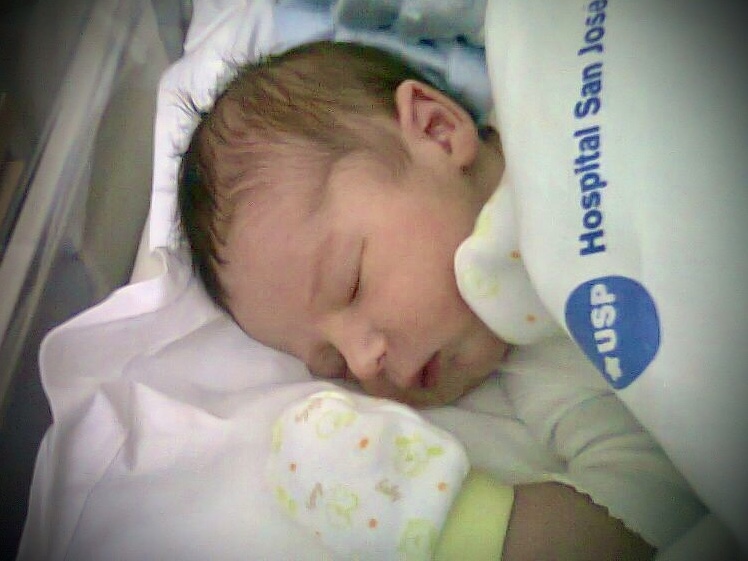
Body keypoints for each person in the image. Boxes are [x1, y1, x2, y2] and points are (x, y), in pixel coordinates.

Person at [176, 41, 706, 559]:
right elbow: (649, 498)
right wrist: (455, 525)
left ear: (437, 131)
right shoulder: (548, 369)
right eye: (334, 362)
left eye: (350, 284)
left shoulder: (552, 81)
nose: (363, 362)